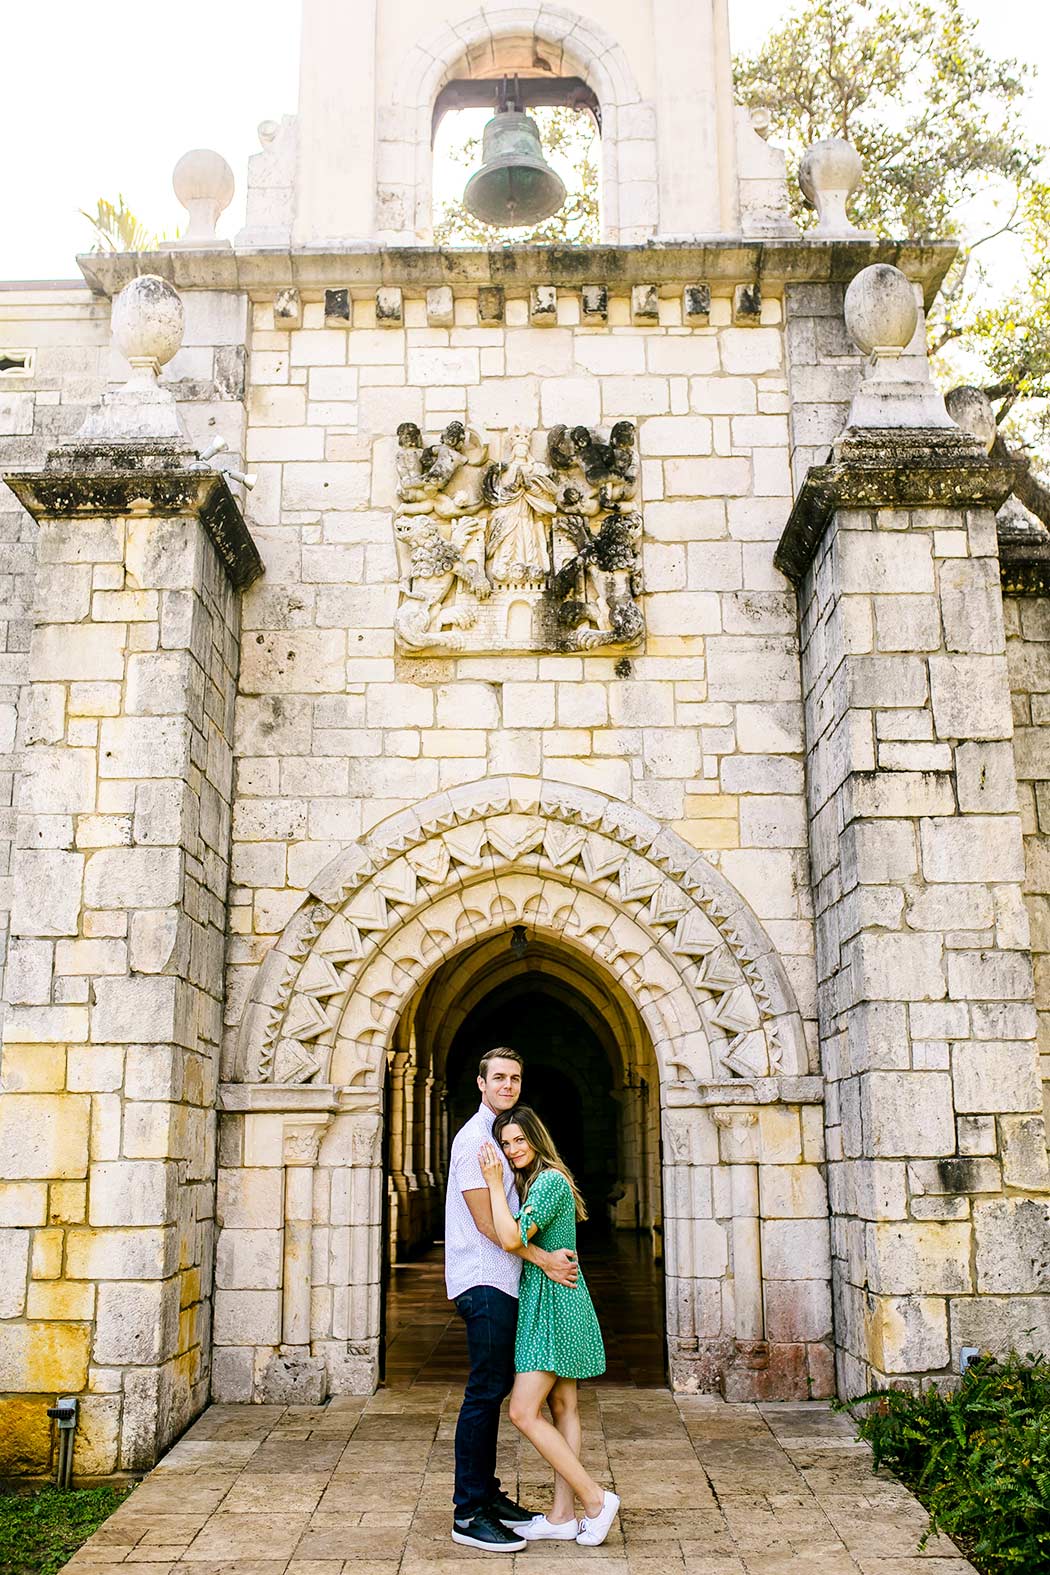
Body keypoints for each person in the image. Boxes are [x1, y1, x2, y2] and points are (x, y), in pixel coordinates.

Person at [445, 1049, 580, 1552]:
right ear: (480, 1083)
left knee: (496, 1387)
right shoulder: (474, 1141)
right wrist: (545, 1260)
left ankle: (489, 1495)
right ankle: (469, 1511)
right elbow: (486, 1223)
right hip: (484, 1279)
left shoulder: (503, 1137)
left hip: (505, 1280)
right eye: (498, 1077)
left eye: (515, 1078)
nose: (507, 1084)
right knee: (485, 1391)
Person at [479, 1105, 620, 1548]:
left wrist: (492, 1185)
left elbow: (510, 1237)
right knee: (564, 1408)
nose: (512, 1149)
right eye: (505, 1144)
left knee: (523, 1411)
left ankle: (595, 1500)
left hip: (555, 1304)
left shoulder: (550, 1181)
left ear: (536, 1138)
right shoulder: (538, 1182)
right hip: (553, 1298)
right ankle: (561, 1517)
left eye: (519, 1140)